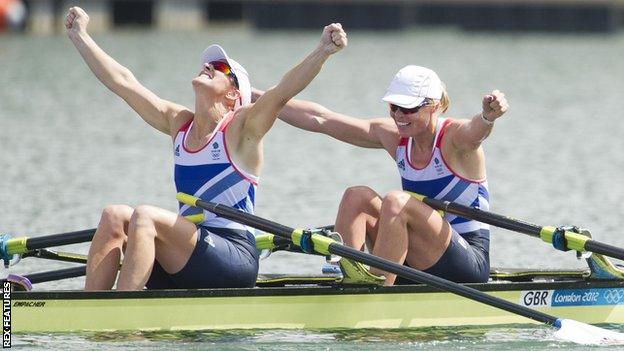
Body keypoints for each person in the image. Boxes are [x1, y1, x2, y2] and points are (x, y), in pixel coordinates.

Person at [65, 6, 348, 291]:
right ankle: (90, 310)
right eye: (209, 63)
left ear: (233, 94)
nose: (209, 66)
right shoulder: (179, 123)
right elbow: (123, 82)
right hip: (189, 255)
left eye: (221, 67)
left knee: (145, 215)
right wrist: (80, 36)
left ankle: (120, 319)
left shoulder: (242, 130)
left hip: (233, 257)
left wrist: (323, 49)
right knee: (114, 215)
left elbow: (282, 91)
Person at [253, 65, 508, 285]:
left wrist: (487, 117)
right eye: (394, 107)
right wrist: (255, 97)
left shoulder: (455, 139)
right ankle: (351, 275)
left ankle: (377, 291)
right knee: (357, 196)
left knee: (397, 201)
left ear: (436, 105)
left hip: (467, 262)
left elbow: (476, 132)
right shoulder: (394, 136)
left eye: (408, 109)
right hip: (416, 253)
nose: (399, 115)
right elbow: (321, 119)